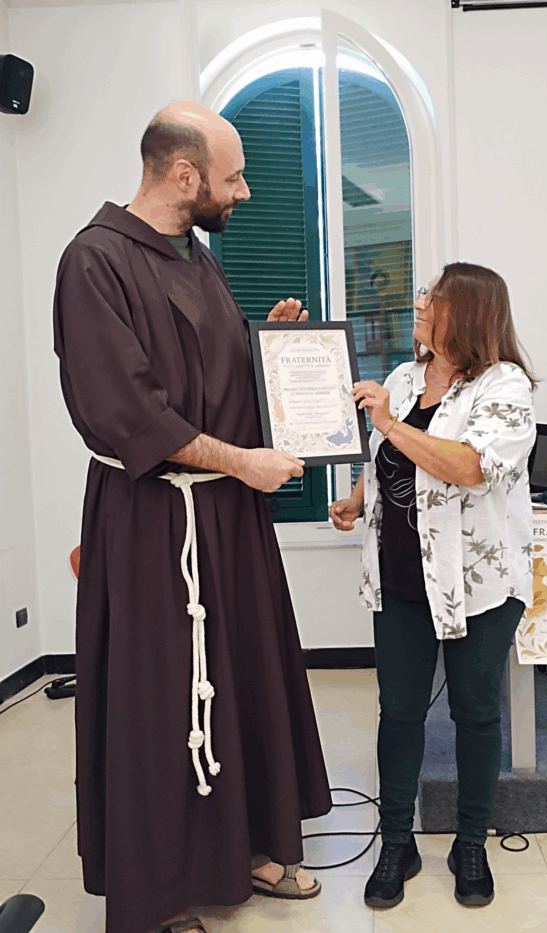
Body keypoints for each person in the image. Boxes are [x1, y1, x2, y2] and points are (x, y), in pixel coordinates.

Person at [52, 100, 332, 933]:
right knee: (160, 700)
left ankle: (243, 848)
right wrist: (244, 462)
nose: (242, 192)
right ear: (184, 174)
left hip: (224, 522)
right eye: (232, 177)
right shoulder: (94, 262)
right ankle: (160, 892)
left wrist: (264, 346)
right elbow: (127, 410)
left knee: (238, 678)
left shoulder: (195, 256)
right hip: (153, 521)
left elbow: (205, 374)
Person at [330, 263, 537, 910]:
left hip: (480, 584)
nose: (419, 304)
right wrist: (359, 497)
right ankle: (398, 842)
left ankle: (470, 842)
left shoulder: (505, 385)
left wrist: (392, 425)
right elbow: (384, 459)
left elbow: (471, 467)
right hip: (399, 580)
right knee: (399, 713)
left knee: (475, 713)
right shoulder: (402, 378)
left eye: (433, 298)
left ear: (466, 313)